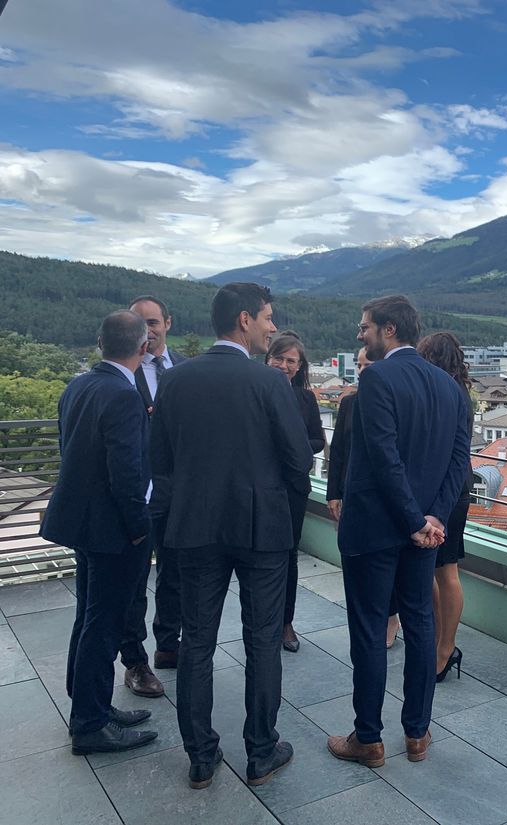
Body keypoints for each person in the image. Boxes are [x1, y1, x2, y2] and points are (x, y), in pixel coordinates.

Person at [150, 283, 314, 790]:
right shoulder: (270, 383)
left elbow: (160, 462)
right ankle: (261, 752)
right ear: (245, 320)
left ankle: (201, 757)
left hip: (195, 526)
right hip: (262, 528)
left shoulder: (175, 380)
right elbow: (299, 460)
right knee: (262, 641)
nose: (272, 326)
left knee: (197, 641)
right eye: (267, 317)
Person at [327, 295, 470, 769]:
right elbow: (458, 463)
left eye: (364, 327)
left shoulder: (377, 379)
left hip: (375, 530)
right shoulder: (450, 388)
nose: (360, 335)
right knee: (421, 624)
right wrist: (434, 519)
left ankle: (368, 739)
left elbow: (383, 458)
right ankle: (417, 733)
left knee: (370, 630)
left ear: (389, 330)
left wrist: (414, 521)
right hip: (424, 534)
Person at [40, 310, 158, 755]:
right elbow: (126, 473)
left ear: (99, 342)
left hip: (84, 525)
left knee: (88, 617)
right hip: (115, 532)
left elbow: (69, 449)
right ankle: (90, 723)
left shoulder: (78, 386)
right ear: (144, 347)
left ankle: (91, 706)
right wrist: (139, 528)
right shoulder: (123, 395)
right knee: (104, 624)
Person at [115, 295, 187, 700]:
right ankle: (135, 662)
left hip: (179, 492)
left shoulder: (186, 369)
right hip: (139, 493)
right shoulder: (123, 373)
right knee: (134, 581)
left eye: (154, 322)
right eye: (141, 323)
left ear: (168, 323)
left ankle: (168, 644)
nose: (149, 330)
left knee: (175, 574)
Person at [325, 348, 401, 648]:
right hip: (351, 495)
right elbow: (338, 451)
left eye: (367, 364)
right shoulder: (349, 403)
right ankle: (369, 620)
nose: (361, 370)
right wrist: (333, 493)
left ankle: (391, 616)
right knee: (357, 562)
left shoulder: (392, 402)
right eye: (358, 364)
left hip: (384, 498)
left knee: (386, 563)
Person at [416, 332, 474, 682]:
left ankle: (445, 648)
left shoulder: (448, 394)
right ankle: (440, 642)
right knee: (438, 570)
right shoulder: (458, 392)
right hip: (450, 490)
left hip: (448, 493)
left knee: (446, 571)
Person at [265, 331, 325, 652]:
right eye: (279, 358)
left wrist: (294, 444)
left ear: (300, 366)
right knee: (260, 556)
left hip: (293, 488)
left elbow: (318, 441)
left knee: (289, 556)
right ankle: (263, 621)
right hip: (260, 487)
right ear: (268, 358)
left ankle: (286, 622)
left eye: (291, 361)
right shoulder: (255, 390)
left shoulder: (305, 399)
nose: (284, 365)